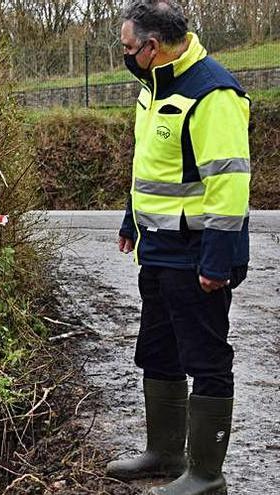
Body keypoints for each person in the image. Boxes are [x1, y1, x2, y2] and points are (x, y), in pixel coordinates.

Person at [108, 1, 251, 494]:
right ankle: (165, 454)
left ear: (152, 47)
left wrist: (216, 260)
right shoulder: (153, 87)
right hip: (159, 250)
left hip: (197, 255)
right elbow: (150, 167)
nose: (124, 55)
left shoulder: (213, 92)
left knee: (206, 358)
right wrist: (132, 219)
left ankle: (207, 476)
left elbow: (229, 186)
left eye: (128, 47)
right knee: (158, 351)